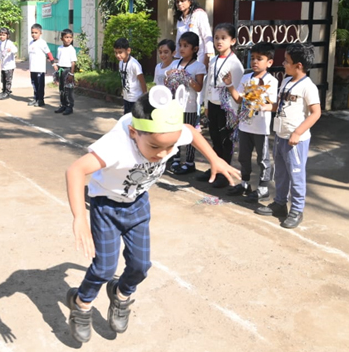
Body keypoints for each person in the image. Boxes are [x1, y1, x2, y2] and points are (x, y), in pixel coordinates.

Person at [63, 85, 241, 343]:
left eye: (169, 149)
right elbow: (75, 171)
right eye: (156, 147)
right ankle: (81, 304)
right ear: (135, 133)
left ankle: (121, 295)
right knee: (103, 268)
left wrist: (214, 158)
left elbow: (190, 132)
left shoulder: (168, 134)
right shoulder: (117, 145)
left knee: (140, 266)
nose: (163, 155)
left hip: (137, 203)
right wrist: (80, 217)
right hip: (106, 205)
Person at [256, 43, 321, 229]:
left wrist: (298, 132)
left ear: (299, 65)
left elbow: (316, 113)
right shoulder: (286, 81)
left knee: (296, 175)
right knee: (281, 173)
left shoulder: (308, 87)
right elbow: (280, 104)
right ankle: (279, 203)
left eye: (287, 61)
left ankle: (297, 209)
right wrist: (268, 106)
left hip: (296, 141)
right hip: (281, 136)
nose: (283, 64)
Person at [223, 42, 278, 200]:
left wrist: (260, 105)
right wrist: (230, 85)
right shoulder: (246, 78)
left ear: (269, 62)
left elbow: (273, 106)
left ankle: (263, 187)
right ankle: (245, 183)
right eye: (252, 58)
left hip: (261, 128)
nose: (254, 61)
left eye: (259, 58)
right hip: (245, 126)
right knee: (243, 157)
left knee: (263, 158)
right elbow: (239, 99)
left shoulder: (271, 82)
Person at [199, 23, 244, 187]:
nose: (219, 41)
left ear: (232, 41)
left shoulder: (235, 64)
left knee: (226, 141)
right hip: (213, 105)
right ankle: (215, 168)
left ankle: (225, 173)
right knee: (215, 139)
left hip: (227, 109)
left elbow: (237, 90)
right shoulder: (214, 61)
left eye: (224, 38)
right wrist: (206, 104)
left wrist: (233, 113)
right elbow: (208, 83)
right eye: (217, 38)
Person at [166, 32, 206, 175]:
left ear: (195, 49)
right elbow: (167, 81)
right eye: (180, 45)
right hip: (175, 105)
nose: (182, 49)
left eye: (186, 46)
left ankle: (189, 162)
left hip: (189, 106)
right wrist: (170, 77)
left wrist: (185, 77)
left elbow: (199, 87)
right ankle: (176, 158)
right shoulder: (175, 63)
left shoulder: (198, 66)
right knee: (175, 133)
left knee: (189, 134)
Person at [173, 0, 213, 66]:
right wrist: (177, 59)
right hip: (184, 60)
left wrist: (207, 58)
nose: (179, 3)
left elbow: (207, 36)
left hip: (199, 58)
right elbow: (178, 41)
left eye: (182, 1)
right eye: (177, 2)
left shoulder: (199, 14)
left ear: (190, 1)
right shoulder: (180, 19)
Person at [115, 37, 146, 114]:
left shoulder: (134, 64)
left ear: (128, 50)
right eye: (116, 52)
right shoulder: (121, 63)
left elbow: (142, 81)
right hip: (126, 98)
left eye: (120, 52)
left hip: (135, 98)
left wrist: (145, 98)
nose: (118, 55)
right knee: (127, 118)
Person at [27, 24, 54, 107]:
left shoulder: (42, 43)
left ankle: (41, 100)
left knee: (40, 85)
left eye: (36, 32)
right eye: (32, 32)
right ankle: (35, 98)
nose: (33, 34)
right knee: (34, 84)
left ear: (40, 33)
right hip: (33, 68)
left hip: (40, 68)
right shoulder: (31, 43)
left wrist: (53, 63)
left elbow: (48, 53)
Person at [53, 29, 77, 115]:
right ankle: (63, 105)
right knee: (62, 89)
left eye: (70, 37)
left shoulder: (72, 49)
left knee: (68, 90)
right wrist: (56, 72)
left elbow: (73, 63)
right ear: (62, 39)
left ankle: (69, 107)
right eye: (66, 37)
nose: (68, 39)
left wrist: (71, 73)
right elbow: (58, 60)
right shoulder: (60, 48)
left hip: (68, 71)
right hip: (61, 70)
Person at [0, 27, 16, 99]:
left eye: (4, 35)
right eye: (0, 35)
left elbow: (15, 49)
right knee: (3, 79)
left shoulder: (9, 43)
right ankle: (3, 91)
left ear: (7, 35)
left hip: (9, 65)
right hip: (3, 65)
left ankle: (7, 92)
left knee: (8, 80)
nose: (2, 36)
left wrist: (10, 50)